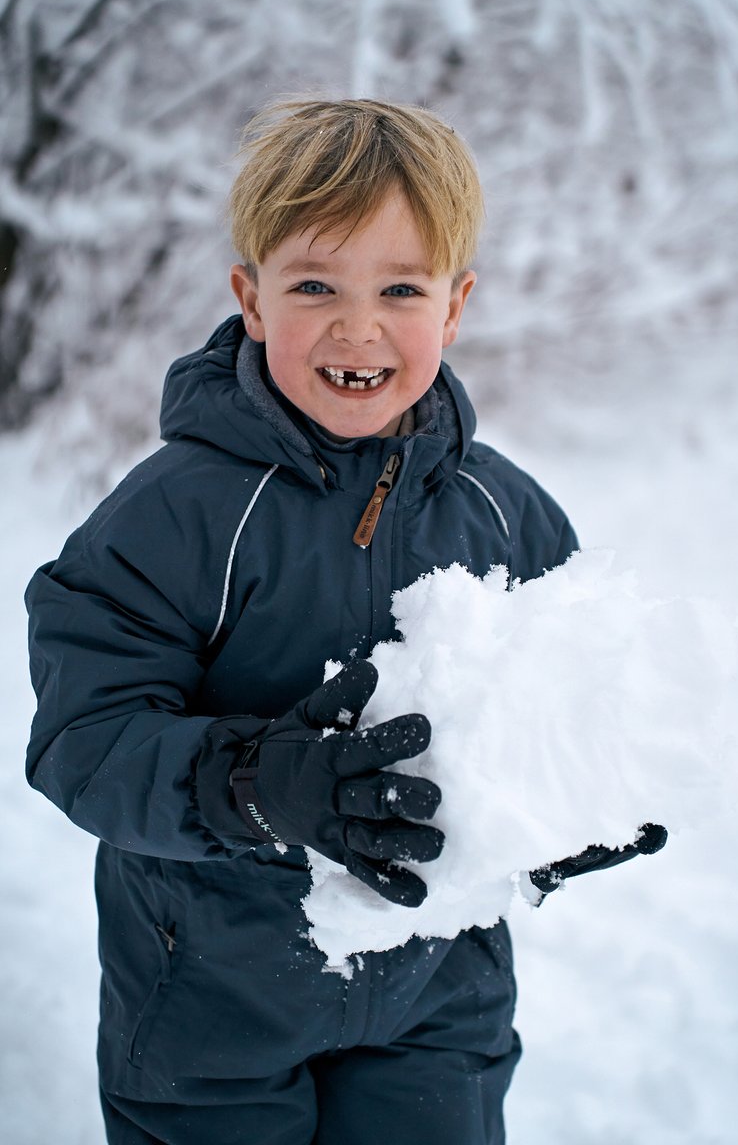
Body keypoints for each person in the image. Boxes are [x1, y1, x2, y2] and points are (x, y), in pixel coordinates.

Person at [25, 98, 584, 1145]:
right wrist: (250, 783)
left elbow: (574, 690)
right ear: (250, 297)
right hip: (212, 995)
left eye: (401, 288)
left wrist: (582, 797)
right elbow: (83, 741)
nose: (357, 325)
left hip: (436, 989)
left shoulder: (506, 512)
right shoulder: (173, 514)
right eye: (315, 284)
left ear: (455, 305)